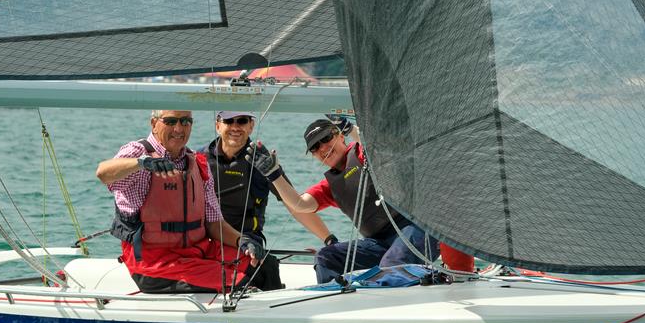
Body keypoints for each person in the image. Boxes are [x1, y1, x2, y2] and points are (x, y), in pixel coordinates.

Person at [247, 117, 475, 283]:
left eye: (325, 139)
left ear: (339, 136)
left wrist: (352, 128)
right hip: (379, 243)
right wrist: (274, 175)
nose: (323, 148)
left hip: (416, 229)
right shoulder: (330, 186)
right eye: (315, 148)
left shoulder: (366, 154)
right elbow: (300, 205)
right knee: (326, 256)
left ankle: (431, 279)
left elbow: (377, 144)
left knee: (390, 266)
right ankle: (337, 304)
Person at [96, 109, 281, 293]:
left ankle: (277, 318)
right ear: (154, 124)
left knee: (265, 266)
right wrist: (140, 163)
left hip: (198, 251)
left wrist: (242, 240)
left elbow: (214, 223)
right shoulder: (138, 152)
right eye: (170, 121)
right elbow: (104, 174)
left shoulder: (197, 162)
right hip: (155, 262)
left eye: (185, 121)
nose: (178, 128)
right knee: (238, 283)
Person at [199, 111, 336, 247]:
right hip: (205, 237)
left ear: (251, 126)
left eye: (242, 121)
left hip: (248, 240)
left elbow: (294, 205)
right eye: (228, 121)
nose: (235, 127)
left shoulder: (264, 162)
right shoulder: (199, 158)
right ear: (218, 126)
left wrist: (329, 240)